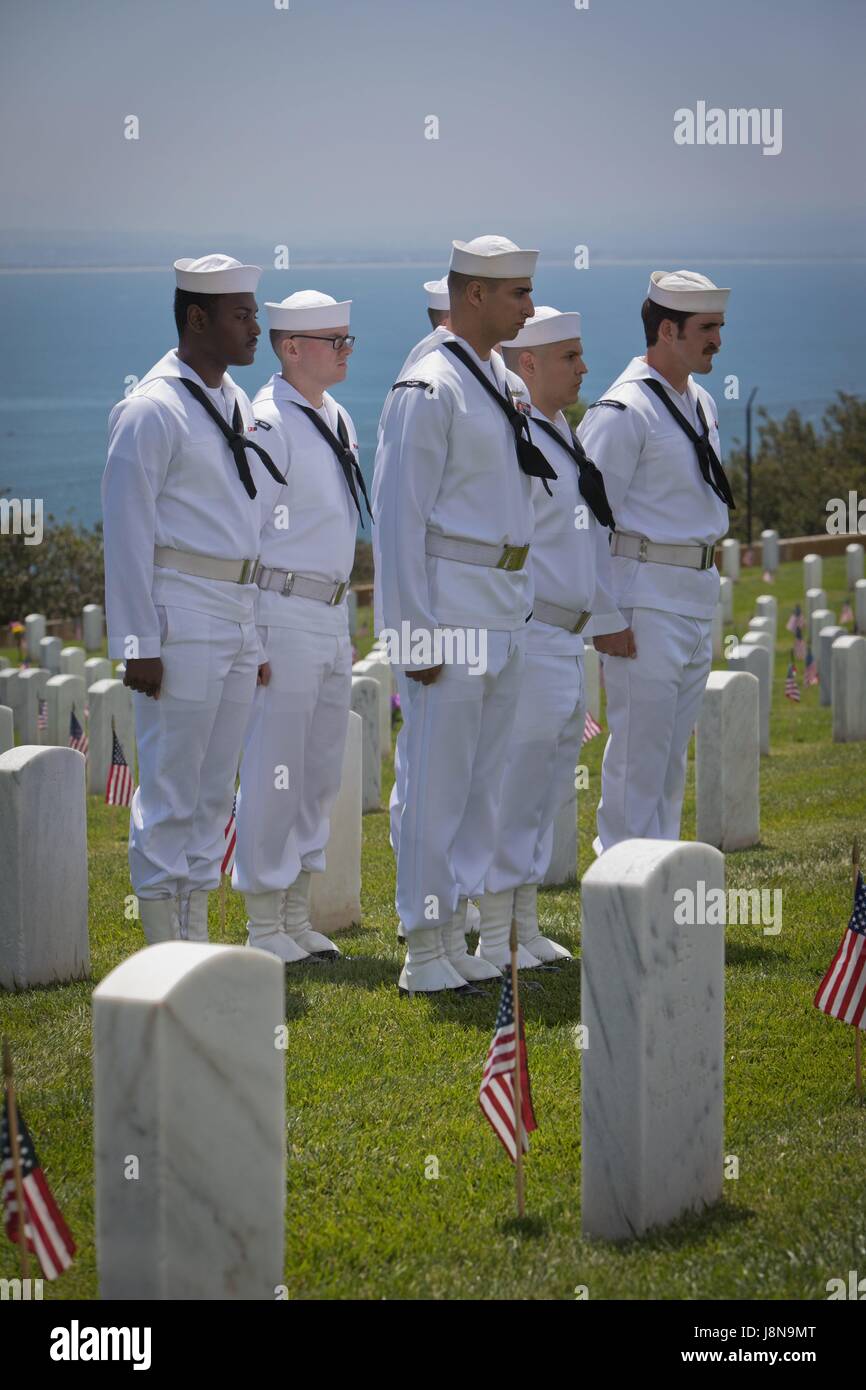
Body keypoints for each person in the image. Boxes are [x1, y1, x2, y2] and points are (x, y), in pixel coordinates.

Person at [373, 234, 546, 995]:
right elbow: (398, 519)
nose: (529, 307)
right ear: (474, 294)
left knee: (482, 781)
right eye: (517, 294)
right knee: (436, 780)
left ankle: (455, 928)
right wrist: (410, 628)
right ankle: (422, 942)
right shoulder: (428, 385)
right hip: (449, 602)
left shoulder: (499, 379)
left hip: (502, 602)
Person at [102, 254, 280, 943]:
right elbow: (127, 531)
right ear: (197, 318)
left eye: (256, 314)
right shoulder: (151, 409)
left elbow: (246, 528)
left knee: (211, 794)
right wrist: (137, 643)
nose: (255, 328)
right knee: (173, 789)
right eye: (242, 315)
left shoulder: (232, 401)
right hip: (181, 616)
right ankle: (160, 947)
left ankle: (194, 936)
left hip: (234, 614)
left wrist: (256, 637)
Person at [477, 306, 624, 965]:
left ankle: (526, 924)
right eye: (571, 357)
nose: (585, 368)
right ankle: (495, 931)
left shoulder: (562, 433)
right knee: (515, 788)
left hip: (568, 640)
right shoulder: (515, 437)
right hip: (531, 636)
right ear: (528, 364)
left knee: (546, 788)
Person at [577, 270, 733, 852]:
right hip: (643, 598)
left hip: (692, 594)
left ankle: (657, 880)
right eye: (707, 329)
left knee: (669, 757)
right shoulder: (624, 410)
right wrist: (605, 615)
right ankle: (620, 881)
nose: (718, 340)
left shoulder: (701, 401)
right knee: (638, 755)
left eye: (719, 326)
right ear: (667, 330)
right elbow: (588, 518)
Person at [233, 291, 364, 963]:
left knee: (317, 773)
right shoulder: (267, 421)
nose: (346, 349)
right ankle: (262, 926)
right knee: (274, 771)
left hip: (329, 611)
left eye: (347, 337)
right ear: (291, 349)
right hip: (281, 610)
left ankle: (294, 914)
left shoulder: (334, 415)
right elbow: (250, 535)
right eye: (333, 339)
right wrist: (252, 637)